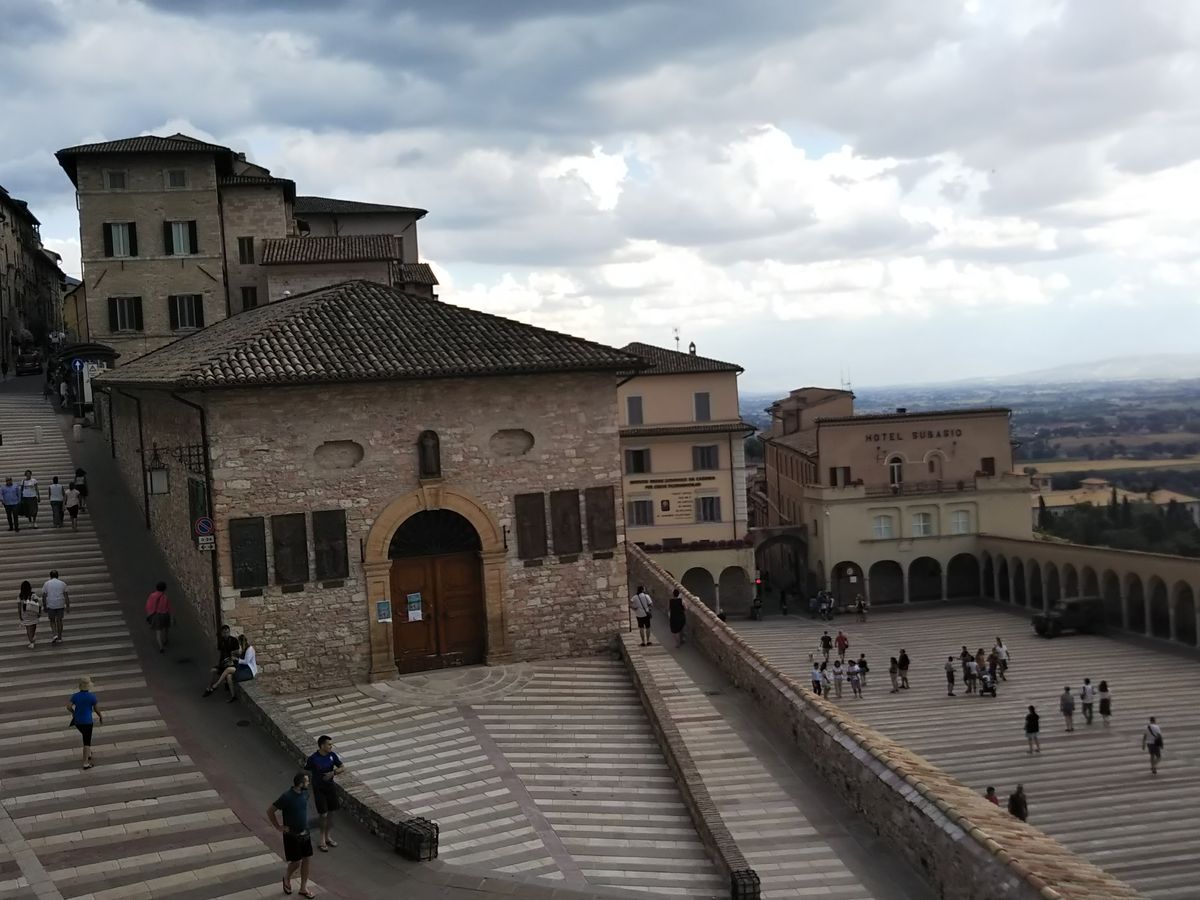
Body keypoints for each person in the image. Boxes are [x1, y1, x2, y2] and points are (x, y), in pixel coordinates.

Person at [268, 773, 315, 898]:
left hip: (305, 833)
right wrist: (278, 826)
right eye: (307, 781)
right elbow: (270, 811)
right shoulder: (287, 797)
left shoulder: (305, 794)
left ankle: (303, 888)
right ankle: (287, 877)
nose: (308, 783)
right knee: (296, 862)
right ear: (300, 783)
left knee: (307, 859)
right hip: (292, 835)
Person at [305, 735, 345, 852]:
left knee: (331, 813)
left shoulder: (332, 755)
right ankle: (321, 839)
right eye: (329, 744)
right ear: (322, 746)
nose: (331, 746)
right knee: (323, 814)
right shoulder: (313, 758)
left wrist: (333, 773)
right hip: (319, 789)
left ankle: (328, 837)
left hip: (330, 787)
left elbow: (342, 767)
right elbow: (306, 770)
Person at [68, 676, 103, 770]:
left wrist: (73, 712)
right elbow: (96, 709)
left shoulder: (75, 696)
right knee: (87, 742)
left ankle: (89, 753)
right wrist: (100, 716)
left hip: (77, 721)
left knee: (85, 735)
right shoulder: (92, 697)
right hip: (87, 722)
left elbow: (68, 706)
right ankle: (86, 763)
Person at [204, 625, 242, 696]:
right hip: (224, 662)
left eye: (227, 632)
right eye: (224, 633)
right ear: (222, 633)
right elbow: (221, 654)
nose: (226, 634)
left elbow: (237, 654)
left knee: (223, 670)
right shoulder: (221, 641)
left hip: (232, 663)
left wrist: (231, 657)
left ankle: (215, 686)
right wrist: (219, 664)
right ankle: (209, 688)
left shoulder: (234, 640)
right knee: (214, 671)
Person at [41, 570, 69, 644]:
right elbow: (66, 596)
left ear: (50, 576)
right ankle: (60, 637)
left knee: (52, 620)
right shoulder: (62, 583)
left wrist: (44, 605)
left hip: (51, 604)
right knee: (59, 620)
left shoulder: (46, 584)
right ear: (57, 575)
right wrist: (67, 606)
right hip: (60, 604)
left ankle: (54, 634)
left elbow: (44, 596)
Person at [144, 581, 171, 652]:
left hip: (157, 616)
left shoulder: (152, 595)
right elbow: (169, 607)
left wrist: (149, 614)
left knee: (158, 632)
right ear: (165, 589)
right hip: (165, 615)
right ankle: (166, 639)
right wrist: (172, 616)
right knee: (166, 628)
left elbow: (148, 606)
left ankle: (161, 647)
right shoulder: (165, 596)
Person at [18, 580, 41, 649]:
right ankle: (32, 638)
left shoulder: (20, 596)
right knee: (33, 626)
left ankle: (31, 641)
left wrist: (20, 616)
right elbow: (38, 604)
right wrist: (39, 612)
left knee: (28, 628)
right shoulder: (33, 595)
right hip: (34, 613)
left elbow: (19, 608)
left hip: (26, 614)